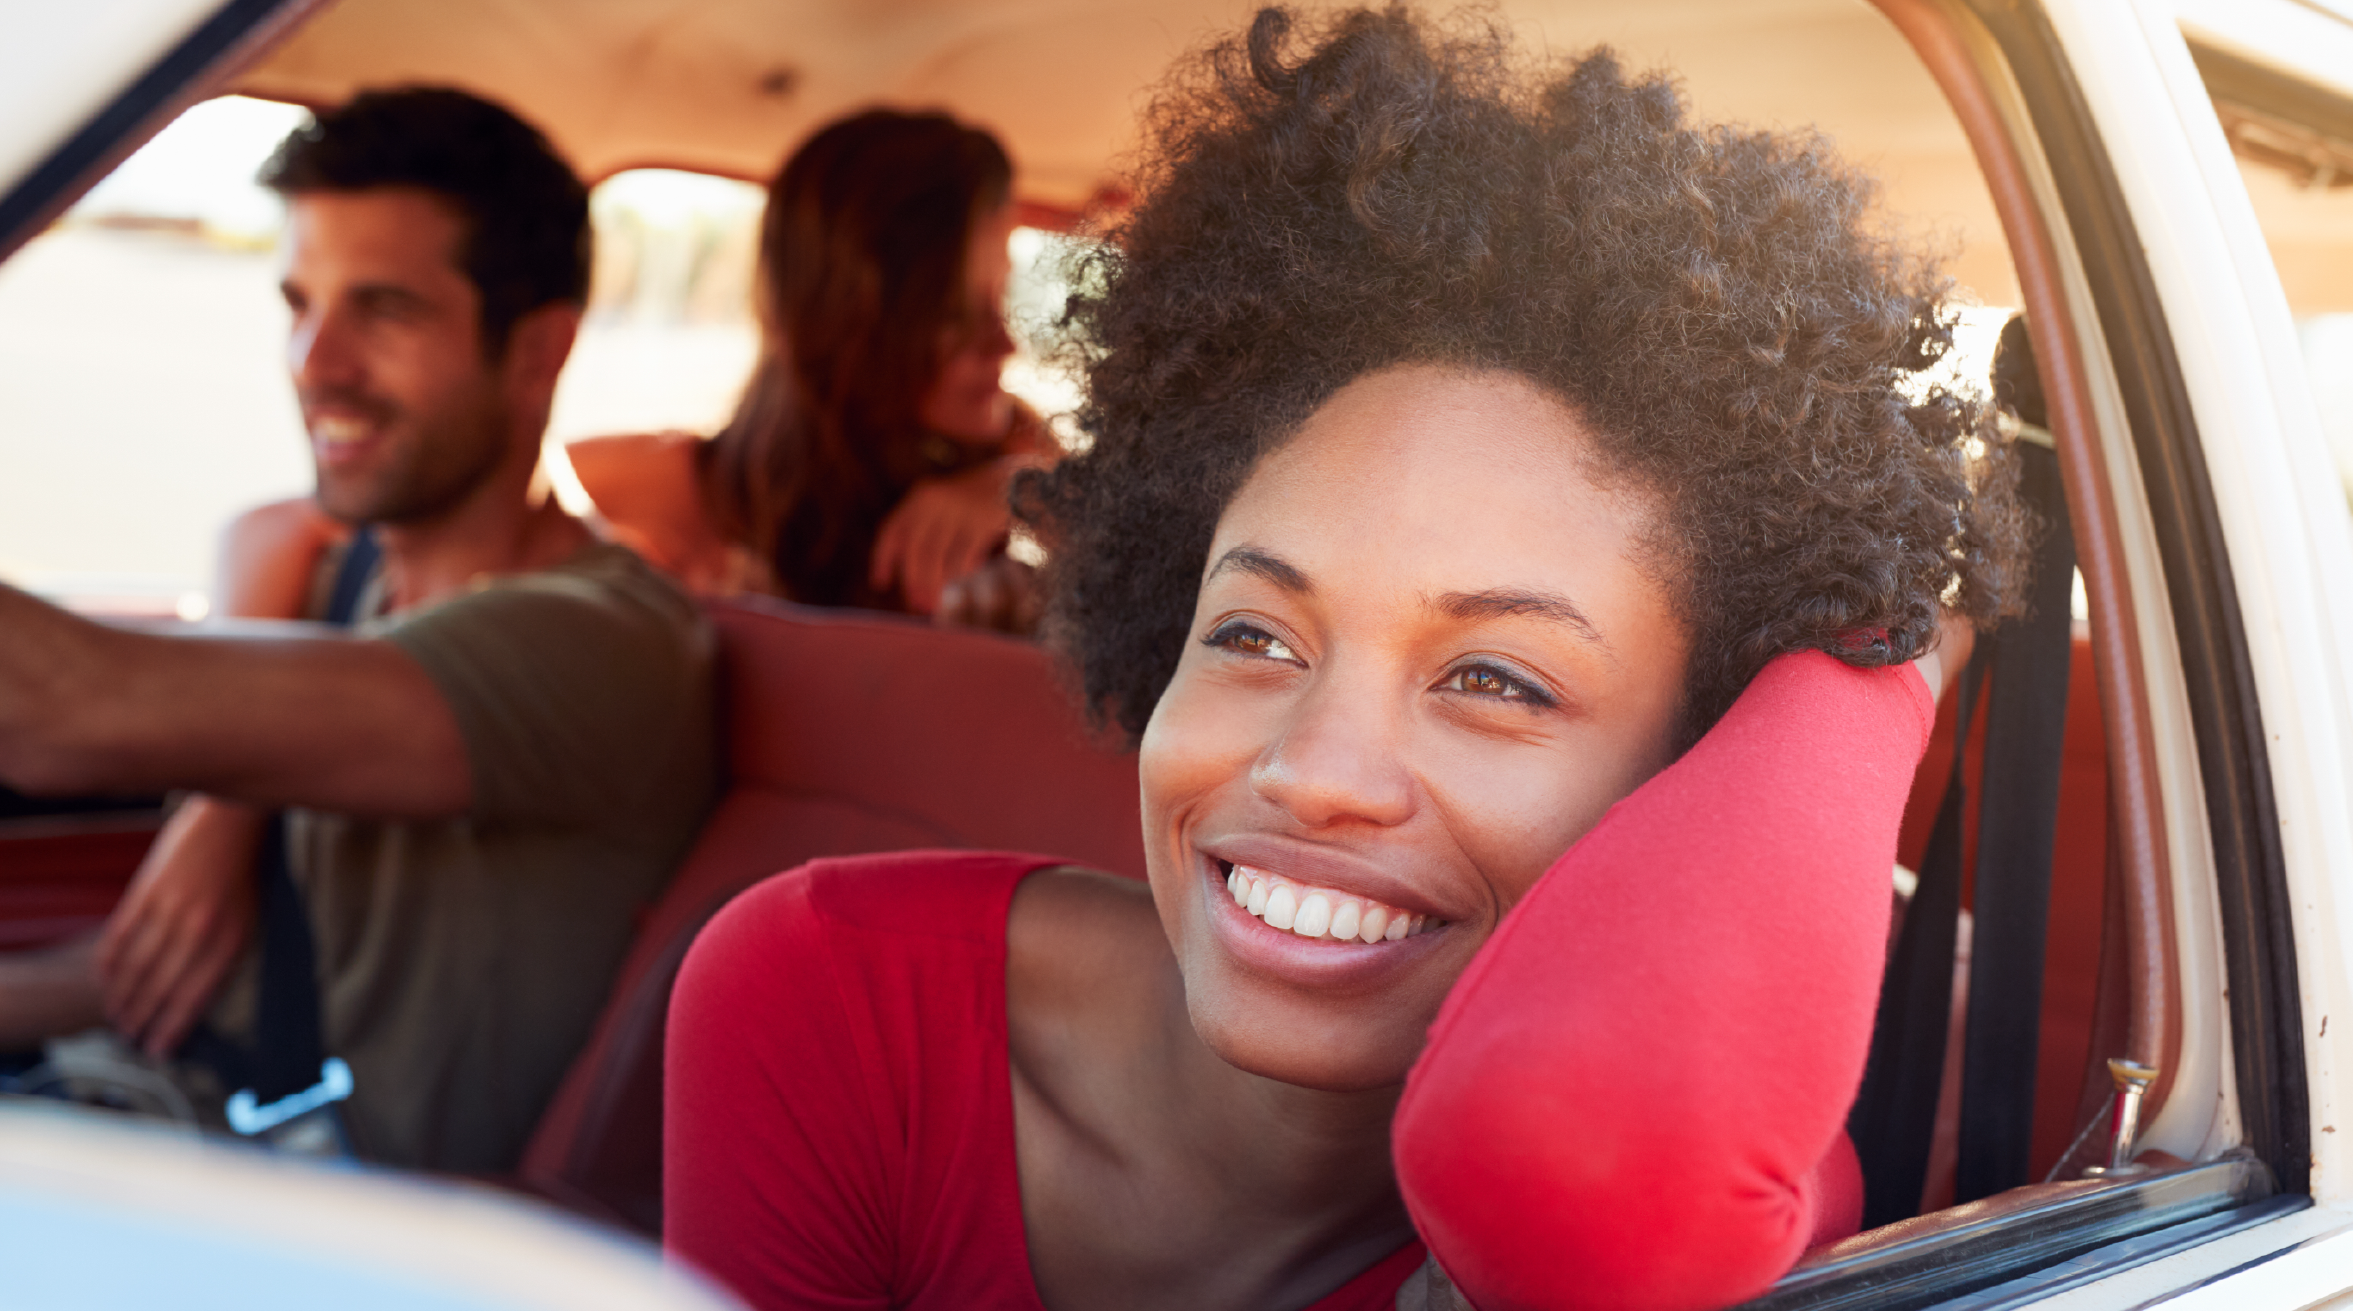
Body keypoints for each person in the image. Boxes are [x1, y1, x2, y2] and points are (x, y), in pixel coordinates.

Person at [663, 8, 2035, 1310]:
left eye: (1494, 678)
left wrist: (1888, 643)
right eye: (1254, 634)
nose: (1312, 771)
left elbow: (1613, 1181)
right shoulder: (824, 993)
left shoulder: (1701, 1139)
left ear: (1694, 771)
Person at [0, 87, 716, 1174]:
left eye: (382, 310)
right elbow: (151, 971)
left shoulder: (600, 644)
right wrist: (224, 796)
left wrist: (220, 780)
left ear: (536, 351)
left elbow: (59, 710)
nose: (315, 362)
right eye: (299, 303)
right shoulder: (361, 581)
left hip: (277, 1206)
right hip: (135, 1103)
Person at [565, 107, 1060, 630]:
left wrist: (1023, 489)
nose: (1007, 345)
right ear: (842, 322)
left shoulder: (1031, 458)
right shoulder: (668, 495)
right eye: (953, 316)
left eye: (1003, 296)